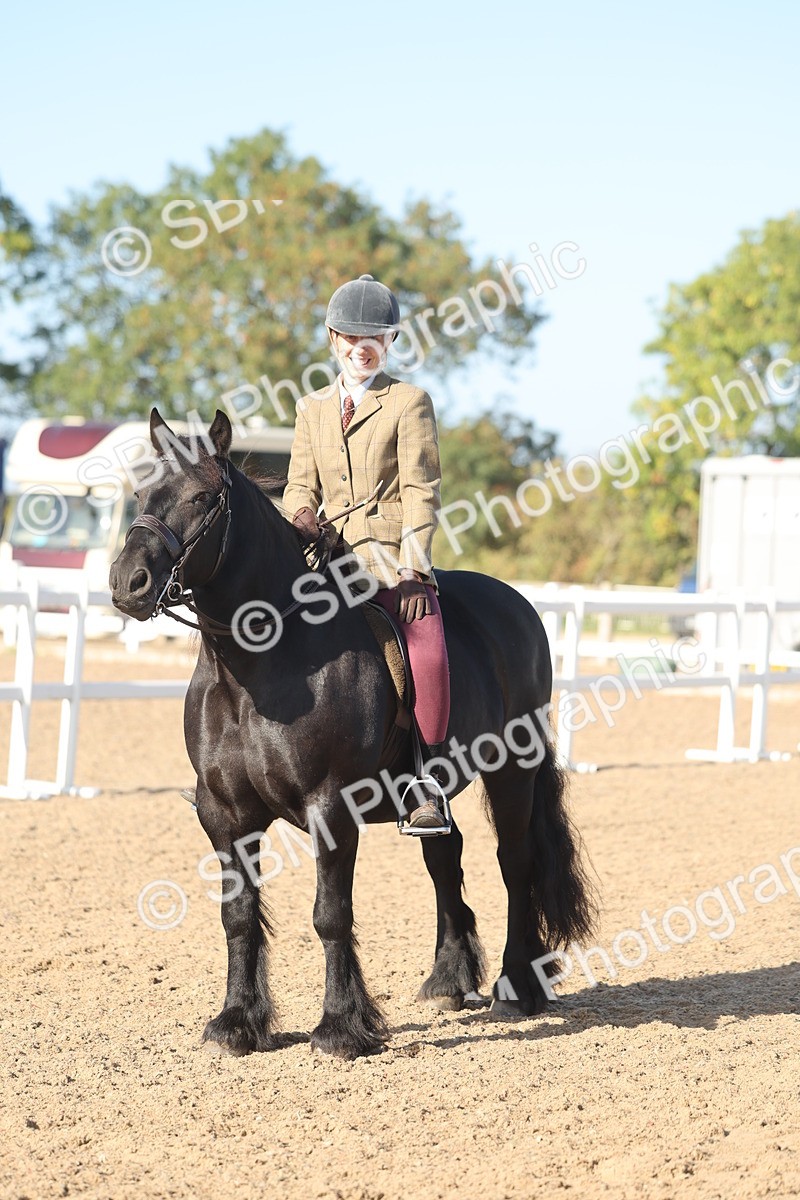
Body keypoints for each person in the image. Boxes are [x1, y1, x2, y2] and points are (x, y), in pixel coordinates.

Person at [283, 274, 451, 833]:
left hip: (389, 559)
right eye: (352, 336)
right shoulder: (311, 408)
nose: (362, 347)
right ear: (334, 339)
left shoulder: (408, 402)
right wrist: (300, 516)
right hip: (324, 558)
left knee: (426, 650)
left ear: (391, 341)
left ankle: (427, 779)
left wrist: (413, 568)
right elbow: (299, 484)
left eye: (374, 337)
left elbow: (421, 489)